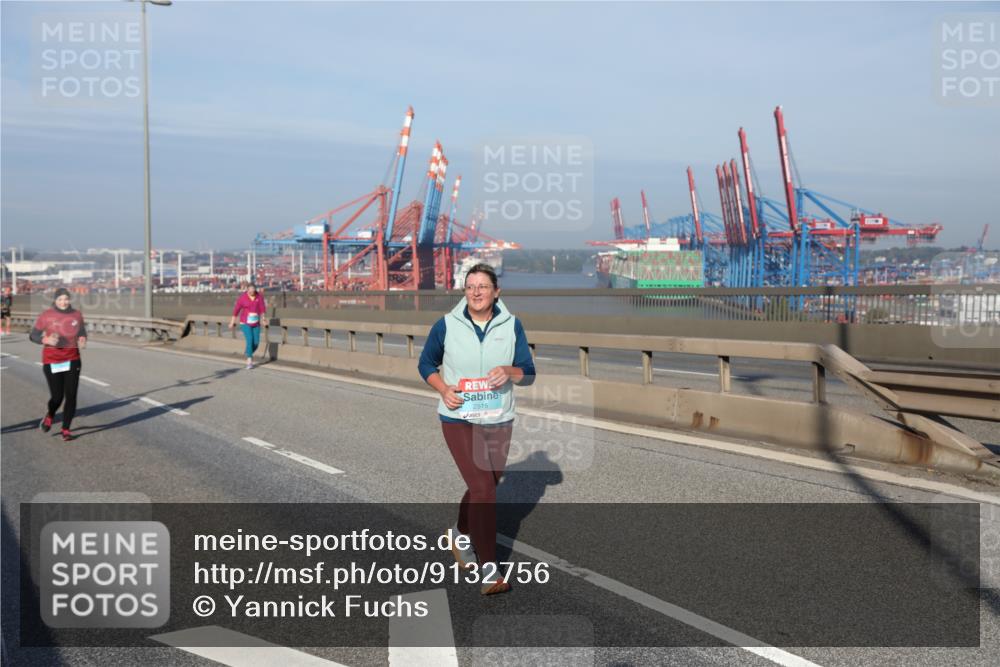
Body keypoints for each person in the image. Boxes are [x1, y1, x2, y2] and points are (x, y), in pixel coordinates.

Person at [418, 263, 536, 596]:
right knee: (484, 489)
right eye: (470, 286)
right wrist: (444, 389)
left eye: (483, 286)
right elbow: (426, 363)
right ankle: (490, 570)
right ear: (464, 291)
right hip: (458, 417)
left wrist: (509, 371)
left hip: (498, 417)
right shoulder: (446, 325)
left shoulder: (512, 325)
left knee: (486, 484)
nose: (476, 292)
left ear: (496, 292)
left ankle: (459, 534)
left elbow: (528, 372)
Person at [29, 287, 86, 441]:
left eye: (66, 299)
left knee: (71, 396)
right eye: (60, 299)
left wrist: (82, 338)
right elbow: (33, 335)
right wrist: (45, 339)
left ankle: (66, 429)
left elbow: (81, 331)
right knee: (57, 397)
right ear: (55, 300)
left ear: (69, 299)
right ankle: (50, 415)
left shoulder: (76, 315)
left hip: (72, 359)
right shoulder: (47, 315)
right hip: (52, 360)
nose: (63, 302)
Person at [229, 282, 266, 369]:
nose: (252, 292)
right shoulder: (243, 298)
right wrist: (232, 322)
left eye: (253, 290)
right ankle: (249, 360)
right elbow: (236, 310)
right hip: (245, 322)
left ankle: (248, 352)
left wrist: (263, 319)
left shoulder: (259, 297)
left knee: (256, 343)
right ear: (247, 290)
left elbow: (262, 309)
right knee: (250, 339)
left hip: (256, 323)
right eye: (250, 291)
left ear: (255, 290)